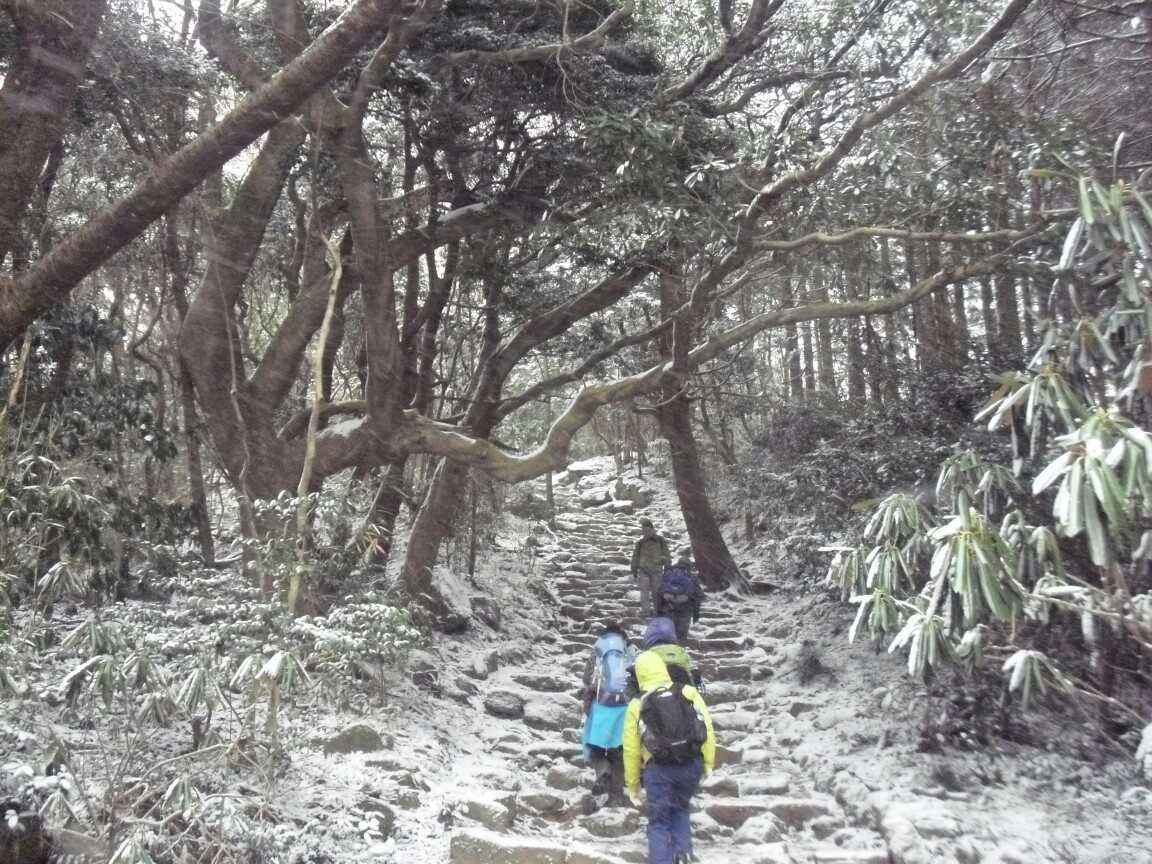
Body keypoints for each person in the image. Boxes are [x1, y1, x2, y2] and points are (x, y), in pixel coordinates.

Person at [623, 652, 715, 864]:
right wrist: (708, 762)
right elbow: (707, 728)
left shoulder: (637, 704)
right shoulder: (688, 692)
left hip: (658, 769)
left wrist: (633, 785)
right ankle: (683, 855)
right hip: (690, 764)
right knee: (680, 809)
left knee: (659, 821)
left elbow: (631, 750)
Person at [581, 623, 638, 809]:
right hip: (625, 708)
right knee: (619, 752)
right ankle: (617, 798)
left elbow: (587, 677)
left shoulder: (599, 650)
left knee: (594, 748)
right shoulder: (632, 651)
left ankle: (603, 771)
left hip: (601, 705)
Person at [655, 547, 704, 646]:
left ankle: (668, 650)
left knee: (668, 632)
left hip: (669, 608)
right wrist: (696, 615)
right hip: (685, 609)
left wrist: (659, 611)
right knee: (681, 635)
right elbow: (697, 596)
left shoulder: (668, 574)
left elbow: (660, 592)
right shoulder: (692, 577)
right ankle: (679, 650)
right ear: (689, 566)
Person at [638, 617, 702, 692]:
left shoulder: (647, 655)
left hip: (654, 692)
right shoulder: (681, 652)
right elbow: (693, 672)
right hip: (682, 691)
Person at [630, 518, 670, 618]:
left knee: (657, 593)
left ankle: (658, 612)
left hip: (657, 571)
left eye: (648, 529)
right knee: (644, 592)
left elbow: (666, 554)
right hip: (643, 570)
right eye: (644, 530)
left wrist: (667, 567)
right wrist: (634, 570)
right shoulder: (640, 543)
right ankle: (645, 611)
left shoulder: (660, 540)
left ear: (652, 529)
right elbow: (635, 557)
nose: (646, 532)